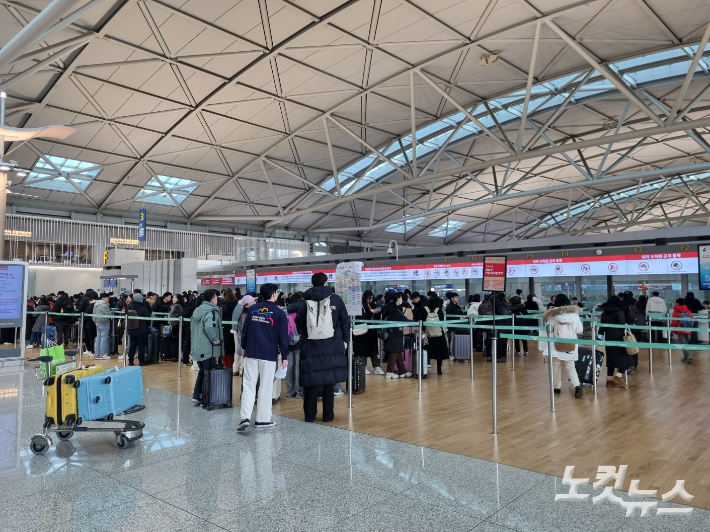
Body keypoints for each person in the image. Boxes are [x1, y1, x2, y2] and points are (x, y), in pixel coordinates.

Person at [295, 272, 349, 423]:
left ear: (312, 283)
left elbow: (299, 322)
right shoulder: (336, 300)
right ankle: (328, 416)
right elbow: (345, 322)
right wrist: (345, 341)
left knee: (311, 382)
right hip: (332, 345)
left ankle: (310, 416)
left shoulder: (305, 301)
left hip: (311, 346)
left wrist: (305, 335)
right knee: (328, 382)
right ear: (326, 282)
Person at [237, 284, 288, 430]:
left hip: (252, 352)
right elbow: (282, 337)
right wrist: (285, 356)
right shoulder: (279, 313)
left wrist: (244, 348)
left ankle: (245, 417)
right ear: (273, 294)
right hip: (268, 355)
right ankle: (262, 420)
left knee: (248, 385)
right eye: (277, 292)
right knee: (265, 387)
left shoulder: (253, 309)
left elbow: (245, 331)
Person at [542, 293, 584, 398]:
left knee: (556, 366)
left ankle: (557, 387)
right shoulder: (574, 315)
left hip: (556, 344)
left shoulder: (553, 315)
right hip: (571, 345)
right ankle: (577, 386)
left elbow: (548, 328)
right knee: (570, 366)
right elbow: (580, 330)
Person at [190, 289, 225, 404]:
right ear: (212, 299)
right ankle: (207, 397)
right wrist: (215, 339)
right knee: (209, 372)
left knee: (202, 371)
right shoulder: (212, 311)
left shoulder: (197, 310)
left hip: (198, 347)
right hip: (208, 348)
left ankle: (196, 395)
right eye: (216, 297)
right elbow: (209, 327)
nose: (217, 300)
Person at [598, 296, 633, 388]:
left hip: (609, 337)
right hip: (619, 337)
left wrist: (599, 337)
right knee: (626, 358)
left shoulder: (604, 313)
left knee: (611, 359)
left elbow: (602, 327)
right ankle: (618, 376)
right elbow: (622, 325)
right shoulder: (619, 312)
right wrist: (630, 324)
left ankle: (609, 380)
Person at [380, 292, 410, 378]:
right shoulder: (395, 310)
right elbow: (404, 319)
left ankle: (402, 370)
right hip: (395, 333)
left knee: (398, 351)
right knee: (393, 351)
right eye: (399, 298)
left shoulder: (385, 308)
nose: (400, 300)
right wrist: (415, 322)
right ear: (396, 299)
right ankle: (390, 371)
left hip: (390, 332)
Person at [354, 291, 384, 375]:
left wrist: (377, 311)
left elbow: (376, 316)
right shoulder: (361, 306)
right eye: (369, 298)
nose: (370, 300)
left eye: (371, 298)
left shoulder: (372, 305)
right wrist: (371, 312)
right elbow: (361, 318)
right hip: (362, 332)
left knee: (373, 350)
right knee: (363, 351)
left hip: (371, 331)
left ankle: (377, 367)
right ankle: (363, 367)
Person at [285, 292, 305, 398]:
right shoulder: (301, 314)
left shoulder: (287, 314)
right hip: (300, 343)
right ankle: (299, 392)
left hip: (288, 344)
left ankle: (289, 391)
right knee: (298, 368)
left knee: (289, 367)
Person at [423, 293, 446, 375]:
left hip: (427, 335)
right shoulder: (439, 310)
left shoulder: (424, 309)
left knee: (425, 351)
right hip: (438, 335)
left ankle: (424, 368)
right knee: (439, 353)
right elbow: (442, 321)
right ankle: (439, 369)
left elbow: (420, 322)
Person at [126, 293, 150, 366]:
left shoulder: (129, 308)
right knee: (141, 346)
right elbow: (148, 319)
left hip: (131, 329)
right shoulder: (143, 309)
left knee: (132, 346)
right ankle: (141, 361)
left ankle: (130, 361)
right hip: (141, 330)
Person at [233, 295, 256, 375]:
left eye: (254, 301)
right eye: (252, 302)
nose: (254, 303)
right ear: (246, 305)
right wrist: (242, 347)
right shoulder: (245, 316)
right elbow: (242, 333)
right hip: (247, 346)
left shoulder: (250, 314)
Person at [219, 288, 238, 370]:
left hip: (225, 329)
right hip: (236, 329)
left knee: (226, 349)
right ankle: (236, 367)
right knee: (236, 348)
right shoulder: (237, 306)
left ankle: (228, 366)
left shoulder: (222, 306)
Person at [671, 298, 694, 363]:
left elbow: (674, 321)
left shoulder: (676, 311)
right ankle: (685, 357)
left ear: (677, 303)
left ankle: (689, 356)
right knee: (686, 343)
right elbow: (692, 320)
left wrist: (672, 328)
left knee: (682, 344)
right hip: (688, 329)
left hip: (680, 329)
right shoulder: (688, 311)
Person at [92, 292, 112, 360]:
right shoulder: (104, 305)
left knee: (98, 338)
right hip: (104, 323)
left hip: (97, 323)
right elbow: (109, 314)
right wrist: (109, 307)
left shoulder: (96, 304)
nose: (108, 299)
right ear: (103, 298)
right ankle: (102, 354)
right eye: (107, 298)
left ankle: (97, 354)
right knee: (104, 338)